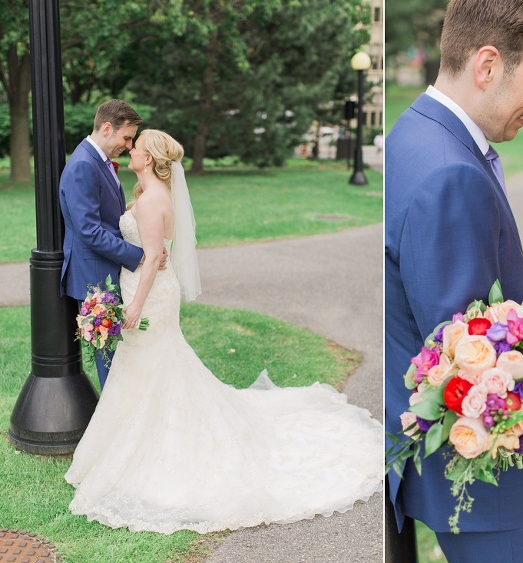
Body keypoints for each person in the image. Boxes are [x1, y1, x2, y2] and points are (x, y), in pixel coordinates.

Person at [65, 129, 382, 534]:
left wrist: (135, 308)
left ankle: (151, 453)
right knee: (148, 370)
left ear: (149, 159)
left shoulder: (151, 202)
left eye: (136, 147)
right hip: (149, 290)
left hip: (147, 295)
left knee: (148, 368)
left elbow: (149, 261)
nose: (130, 149)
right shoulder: (151, 195)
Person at [385, 0, 523, 560]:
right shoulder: (451, 175)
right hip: (492, 493)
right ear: (488, 65)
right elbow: (471, 359)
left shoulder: (414, 135)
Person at [59, 99, 156, 388]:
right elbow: (89, 231)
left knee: (121, 357)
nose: (129, 145)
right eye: (127, 137)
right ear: (106, 128)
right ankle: (115, 425)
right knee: (109, 362)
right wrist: (139, 255)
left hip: (105, 270)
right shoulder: (83, 166)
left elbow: (108, 217)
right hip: (94, 277)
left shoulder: (98, 161)